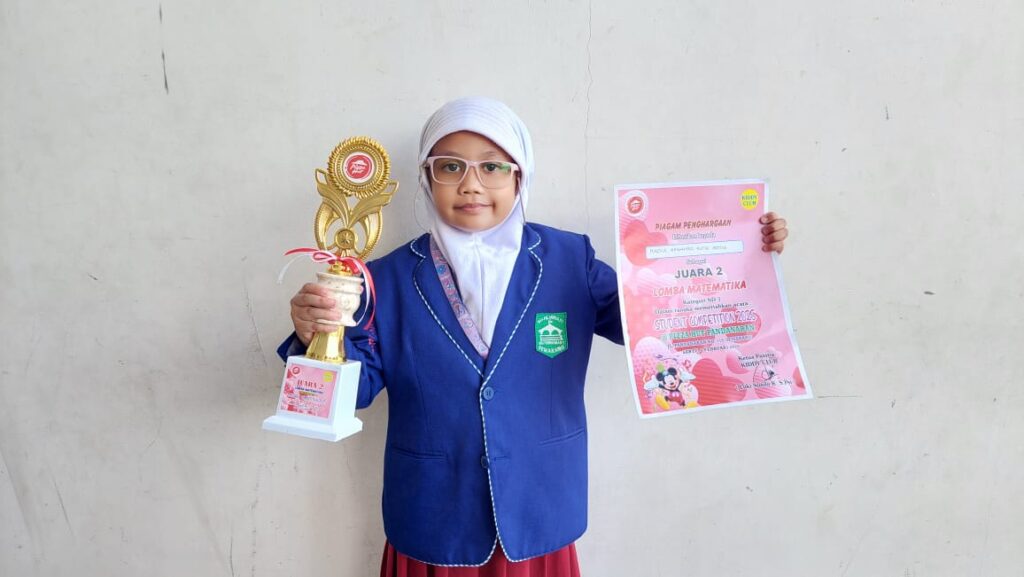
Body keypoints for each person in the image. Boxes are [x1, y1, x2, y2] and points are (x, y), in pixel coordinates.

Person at [278, 97, 790, 576]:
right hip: (434, 515)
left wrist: (742, 252)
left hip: (539, 507)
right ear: (426, 177)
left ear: (520, 175)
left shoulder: (569, 260)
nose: (471, 185)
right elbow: (355, 392)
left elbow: (657, 322)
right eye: (450, 166)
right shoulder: (383, 279)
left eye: (493, 166)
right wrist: (313, 337)